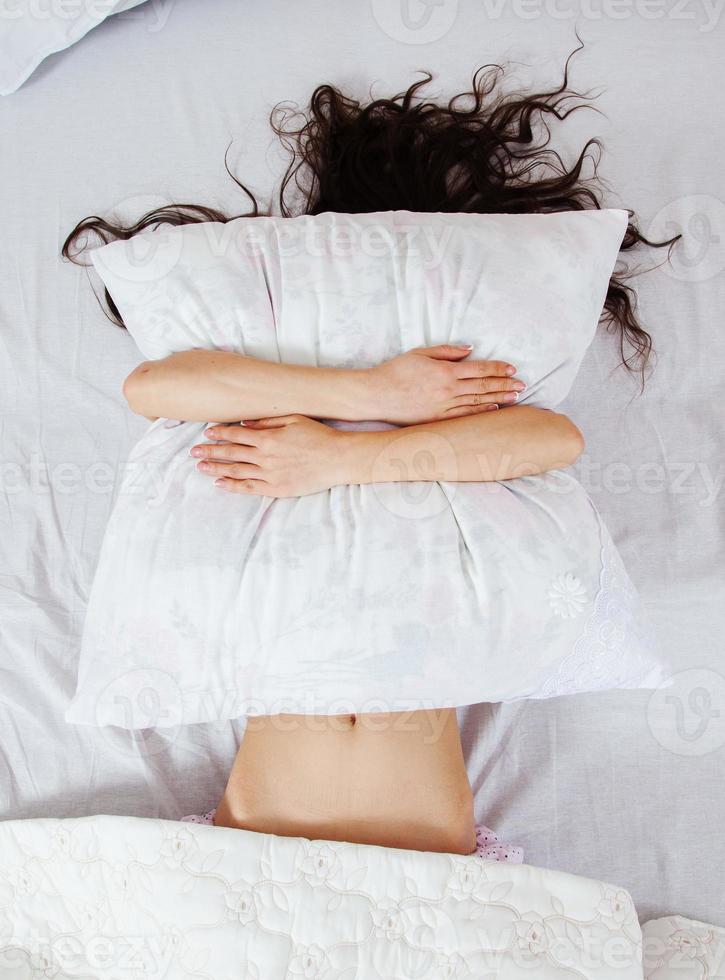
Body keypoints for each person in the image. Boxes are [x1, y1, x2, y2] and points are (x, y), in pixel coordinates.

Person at [63, 51, 675, 859]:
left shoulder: (452, 410)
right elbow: (154, 387)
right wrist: (371, 393)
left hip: (410, 867)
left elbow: (551, 440)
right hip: (274, 852)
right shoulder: (289, 394)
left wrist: (338, 460)